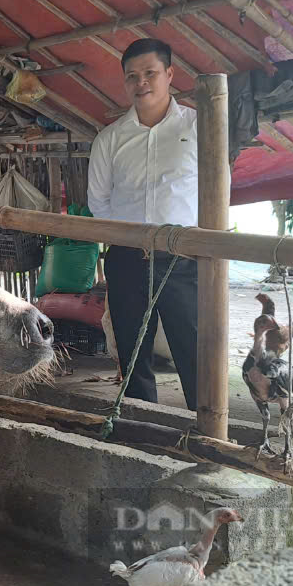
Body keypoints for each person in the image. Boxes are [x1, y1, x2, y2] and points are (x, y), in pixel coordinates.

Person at [88, 38, 199, 410]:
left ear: (169, 74)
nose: (142, 83)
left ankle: (207, 432)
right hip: (127, 259)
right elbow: (98, 202)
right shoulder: (110, 139)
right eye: (132, 76)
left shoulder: (199, 129)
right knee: (133, 352)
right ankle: (142, 427)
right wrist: (128, 239)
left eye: (150, 73)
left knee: (194, 348)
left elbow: (216, 193)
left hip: (183, 259)